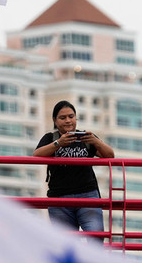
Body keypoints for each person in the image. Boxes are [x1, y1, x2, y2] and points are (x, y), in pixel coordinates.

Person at [33, 100, 115, 234]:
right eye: (62, 117)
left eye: (71, 116)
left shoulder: (86, 138)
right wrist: (58, 143)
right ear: (55, 120)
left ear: (76, 118)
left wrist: (95, 141)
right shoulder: (51, 138)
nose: (68, 121)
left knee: (95, 235)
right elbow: (36, 155)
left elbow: (110, 155)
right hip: (59, 197)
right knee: (65, 243)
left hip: (88, 195)